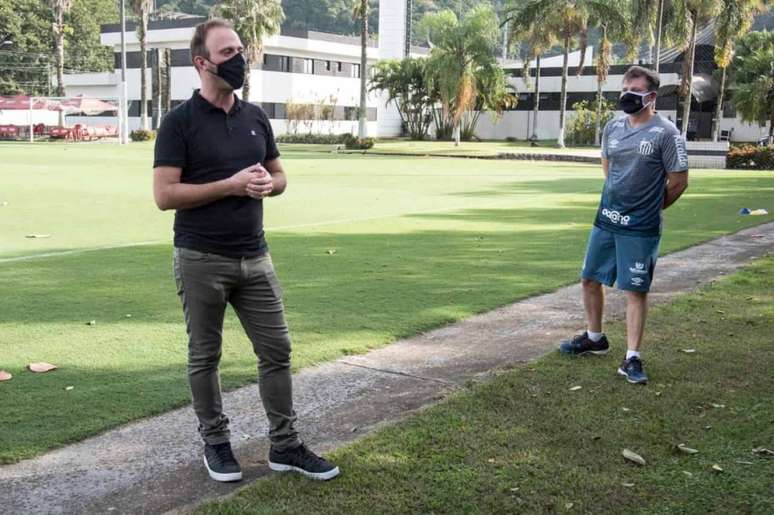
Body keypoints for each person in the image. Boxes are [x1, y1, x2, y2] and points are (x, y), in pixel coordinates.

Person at [152, 18, 339, 482]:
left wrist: (264, 185)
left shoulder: (256, 117)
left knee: (277, 349)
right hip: (201, 258)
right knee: (205, 356)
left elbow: (280, 176)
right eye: (227, 52)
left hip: (255, 257)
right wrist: (230, 185)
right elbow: (164, 196)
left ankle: (286, 445)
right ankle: (216, 444)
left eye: (240, 49)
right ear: (202, 63)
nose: (239, 58)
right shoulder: (179, 123)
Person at [559, 66, 689, 384]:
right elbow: (609, 169)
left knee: (635, 290)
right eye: (624, 90)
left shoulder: (667, 133)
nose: (626, 96)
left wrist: (649, 208)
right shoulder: (613, 128)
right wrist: (620, 202)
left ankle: (632, 358)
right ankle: (595, 338)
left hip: (641, 226)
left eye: (634, 92)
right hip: (607, 218)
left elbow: (679, 182)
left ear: (651, 96)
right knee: (589, 278)